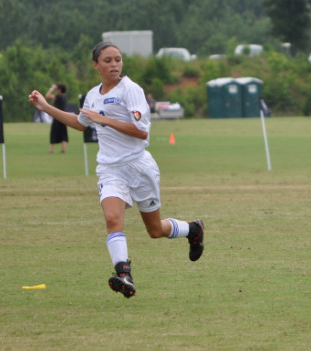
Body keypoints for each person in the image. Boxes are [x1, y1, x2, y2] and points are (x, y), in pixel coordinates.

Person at [28, 42, 205, 299]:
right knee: (112, 219)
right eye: (108, 60)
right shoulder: (93, 95)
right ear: (96, 65)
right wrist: (45, 107)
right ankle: (124, 274)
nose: (114, 64)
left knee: (155, 230)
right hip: (110, 168)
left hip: (139, 166)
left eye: (118, 59)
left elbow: (141, 131)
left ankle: (193, 229)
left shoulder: (131, 90)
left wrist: (105, 120)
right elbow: (80, 123)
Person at [46, 83, 69, 153]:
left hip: (57, 116)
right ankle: (64, 149)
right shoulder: (64, 97)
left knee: (54, 132)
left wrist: (52, 88)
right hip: (64, 116)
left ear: (60, 90)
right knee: (63, 133)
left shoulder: (58, 96)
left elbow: (47, 96)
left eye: (57, 89)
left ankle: (51, 149)